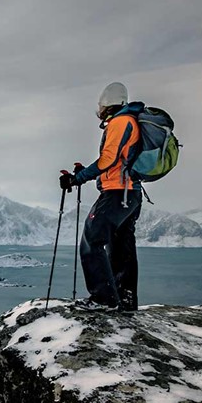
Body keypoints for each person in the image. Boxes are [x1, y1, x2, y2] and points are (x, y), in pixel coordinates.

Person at [59, 82, 142, 311]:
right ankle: (124, 300)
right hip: (131, 194)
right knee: (122, 247)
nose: (99, 109)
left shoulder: (120, 122)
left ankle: (103, 300)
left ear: (107, 104)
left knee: (92, 240)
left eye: (101, 105)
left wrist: (79, 178)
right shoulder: (131, 121)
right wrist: (84, 172)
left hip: (117, 193)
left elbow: (109, 159)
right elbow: (117, 160)